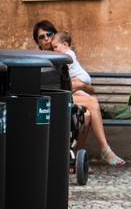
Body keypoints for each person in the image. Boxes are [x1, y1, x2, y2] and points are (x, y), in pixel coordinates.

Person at [34, 26, 124, 166]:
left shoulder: (64, 57)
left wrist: (79, 85)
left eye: (49, 34)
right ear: (37, 42)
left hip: (68, 97)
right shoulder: (38, 60)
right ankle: (103, 150)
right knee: (90, 106)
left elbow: (89, 87)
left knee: (87, 115)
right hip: (50, 101)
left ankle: (75, 159)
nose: (46, 38)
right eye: (41, 37)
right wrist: (73, 85)